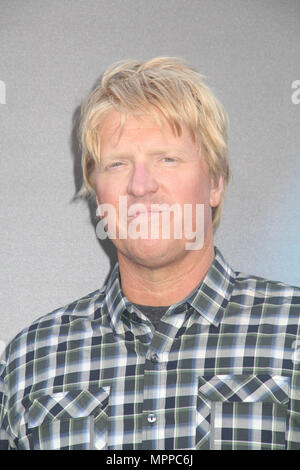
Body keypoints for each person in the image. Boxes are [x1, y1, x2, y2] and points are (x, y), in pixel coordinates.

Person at [1, 57, 299, 451]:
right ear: (96, 193)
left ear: (215, 184)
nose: (140, 186)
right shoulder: (30, 361)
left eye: (167, 159)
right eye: (118, 164)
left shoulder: (293, 335)